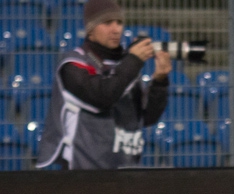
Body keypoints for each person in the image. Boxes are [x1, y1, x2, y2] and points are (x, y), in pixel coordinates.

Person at [36, 0, 171, 169]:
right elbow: (103, 96)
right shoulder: (73, 64)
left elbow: (146, 118)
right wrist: (133, 60)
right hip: (81, 171)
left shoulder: (125, 65)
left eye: (119, 22)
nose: (116, 29)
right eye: (107, 23)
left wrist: (160, 81)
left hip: (124, 168)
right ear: (90, 30)